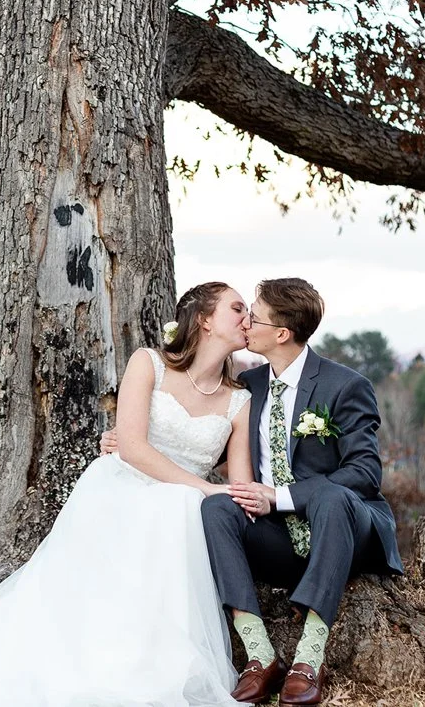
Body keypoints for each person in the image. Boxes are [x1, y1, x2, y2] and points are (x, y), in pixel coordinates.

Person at [0, 282, 254, 707]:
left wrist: (235, 496)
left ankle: (152, 657)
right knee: (174, 505)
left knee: (178, 506)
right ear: (203, 320)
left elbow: (240, 485)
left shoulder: (239, 400)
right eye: (236, 308)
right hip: (122, 491)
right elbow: (131, 445)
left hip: (179, 509)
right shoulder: (150, 364)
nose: (246, 317)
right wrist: (201, 487)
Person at [103, 277, 404, 706]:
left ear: (280, 334)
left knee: (333, 496)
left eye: (254, 316)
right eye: (242, 313)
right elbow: (221, 450)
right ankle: (260, 655)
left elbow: (365, 474)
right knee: (219, 508)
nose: (247, 323)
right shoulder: (249, 387)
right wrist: (132, 440)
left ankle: (309, 657)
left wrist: (279, 496)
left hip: (343, 533)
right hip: (279, 539)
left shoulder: (345, 386)